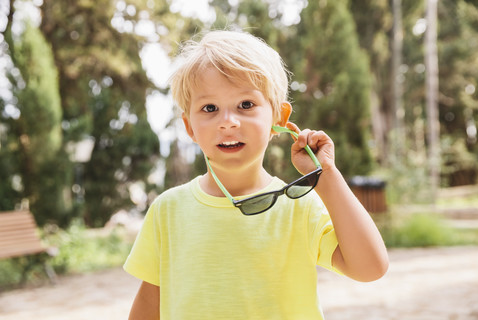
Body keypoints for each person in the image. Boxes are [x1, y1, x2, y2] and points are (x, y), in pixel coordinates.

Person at [124, 30, 389, 320]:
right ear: (190, 127)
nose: (228, 122)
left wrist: (326, 175)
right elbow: (150, 304)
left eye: (246, 105)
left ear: (279, 117)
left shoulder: (298, 205)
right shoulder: (168, 210)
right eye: (209, 108)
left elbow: (371, 267)